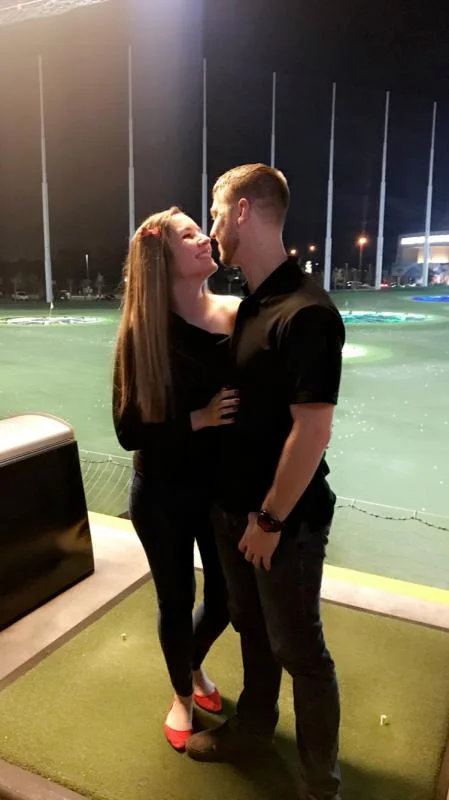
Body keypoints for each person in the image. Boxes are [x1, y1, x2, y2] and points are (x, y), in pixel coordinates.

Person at [186, 165, 345, 800]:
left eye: (217, 213)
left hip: (284, 523)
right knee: (251, 627)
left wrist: (271, 519)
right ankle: (254, 729)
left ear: (244, 211)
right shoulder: (252, 303)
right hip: (234, 511)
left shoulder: (306, 312)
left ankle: (319, 781)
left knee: (299, 651)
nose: (213, 226)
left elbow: (313, 431)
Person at [113, 207, 240, 752]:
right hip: (161, 491)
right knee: (176, 598)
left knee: (228, 598)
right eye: (188, 235)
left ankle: (189, 664)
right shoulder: (144, 334)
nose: (204, 237)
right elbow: (128, 430)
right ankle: (182, 695)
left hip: (220, 488)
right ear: (163, 260)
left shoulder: (237, 313)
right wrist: (199, 418)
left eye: (199, 229)